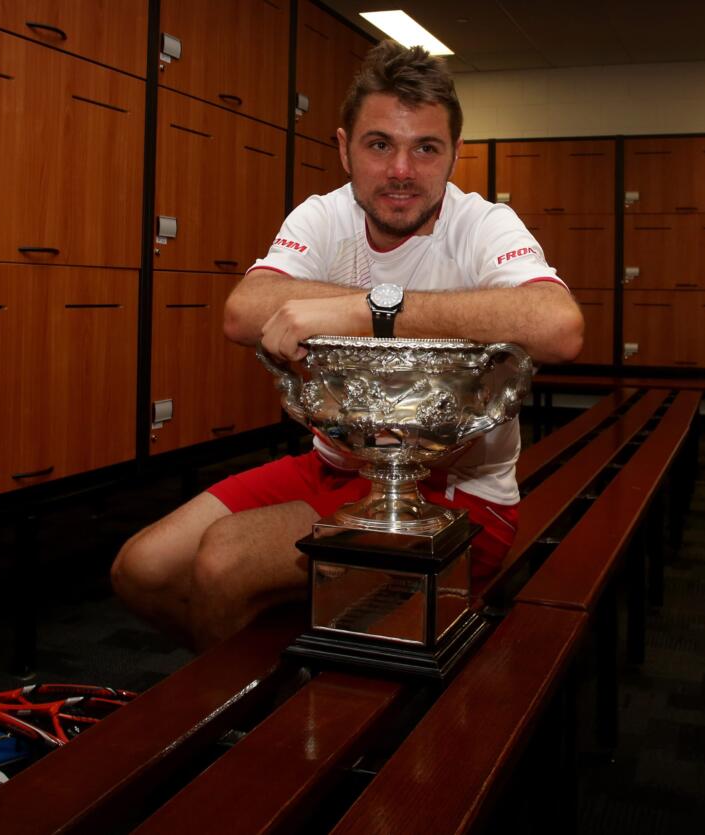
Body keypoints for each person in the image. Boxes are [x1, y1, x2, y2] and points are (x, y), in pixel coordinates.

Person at [112, 40, 585, 651]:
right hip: (333, 467)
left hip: (454, 495)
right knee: (141, 568)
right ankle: (266, 671)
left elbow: (558, 326)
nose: (401, 171)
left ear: (454, 156)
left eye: (426, 148)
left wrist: (371, 308)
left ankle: (258, 726)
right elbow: (243, 310)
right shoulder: (324, 215)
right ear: (344, 148)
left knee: (224, 563)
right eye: (380, 144)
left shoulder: (482, 225)